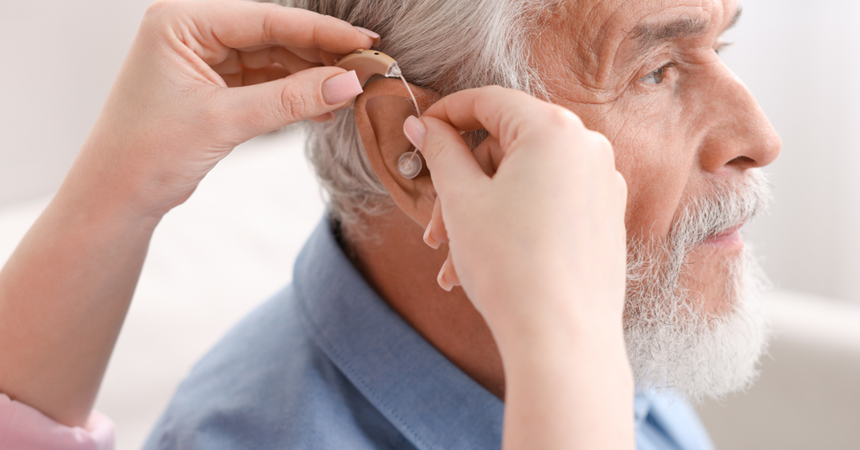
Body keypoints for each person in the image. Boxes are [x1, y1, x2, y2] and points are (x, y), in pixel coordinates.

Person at [0, 0, 780, 449]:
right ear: (408, 144)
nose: (760, 137)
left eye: (722, 43)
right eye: (656, 71)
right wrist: (567, 353)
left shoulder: (622, 325)